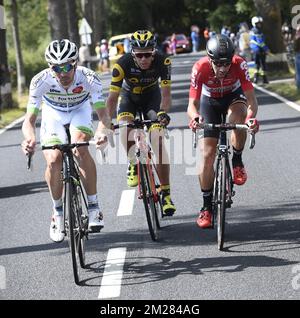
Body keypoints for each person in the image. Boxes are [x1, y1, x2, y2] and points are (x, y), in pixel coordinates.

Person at [21, 39, 111, 242]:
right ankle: (58, 213)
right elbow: (29, 119)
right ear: (49, 67)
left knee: (80, 147)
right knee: (53, 159)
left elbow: (104, 115)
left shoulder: (89, 78)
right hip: (53, 114)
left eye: (67, 66)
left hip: (80, 111)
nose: (63, 73)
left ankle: (94, 206)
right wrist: (29, 138)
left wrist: (101, 132)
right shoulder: (40, 81)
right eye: (57, 68)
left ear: (76, 63)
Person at [187, 34, 259, 228]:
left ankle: (236, 159)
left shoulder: (240, 64)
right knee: (207, 154)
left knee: (238, 117)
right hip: (209, 102)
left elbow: (251, 101)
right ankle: (206, 207)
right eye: (217, 63)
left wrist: (251, 119)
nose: (222, 68)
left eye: (226, 63)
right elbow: (191, 105)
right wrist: (194, 118)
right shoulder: (200, 68)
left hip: (233, 97)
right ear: (209, 60)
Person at [105, 30, 176, 216]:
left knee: (158, 140)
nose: (144, 59)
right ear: (132, 53)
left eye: (148, 54)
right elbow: (112, 99)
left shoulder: (163, 61)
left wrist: (162, 112)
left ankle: (166, 193)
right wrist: (106, 123)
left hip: (152, 99)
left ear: (154, 52)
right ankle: (131, 162)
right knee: (125, 128)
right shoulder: (122, 64)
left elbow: (166, 96)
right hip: (128, 98)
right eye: (139, 55)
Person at [250, 16, 269, 84]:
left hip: (255, 50)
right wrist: (266, 49)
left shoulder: (252, 30)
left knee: (257, 64)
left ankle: (256, 79)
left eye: (260, 23)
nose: (259, 24)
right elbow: (260, 42)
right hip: (260, 50)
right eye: (258, 23)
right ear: (254, 23)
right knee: (263, 64)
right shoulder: (257, 31)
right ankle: (265, 79)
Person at [294, 25, 300, 91]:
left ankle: (298, 87)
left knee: (298, 73)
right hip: (298, 54)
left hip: (298, 54)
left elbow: (295, 48)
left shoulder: (297, 37)